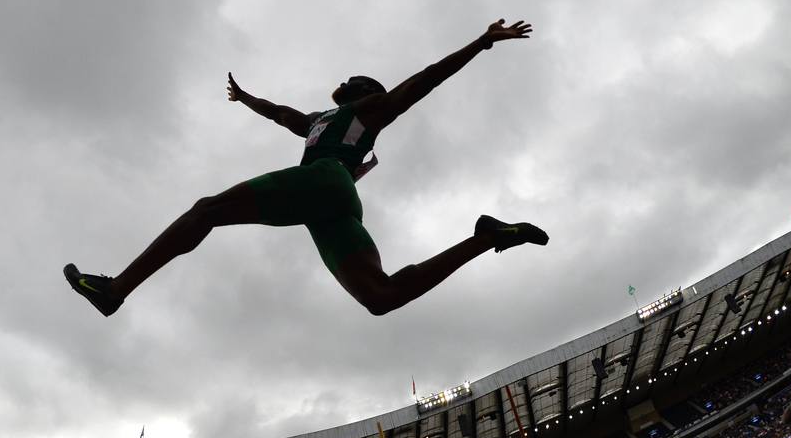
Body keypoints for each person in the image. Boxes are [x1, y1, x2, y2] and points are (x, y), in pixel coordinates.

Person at [64, 19, 548, 318]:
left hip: (327, 180)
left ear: (363, 89)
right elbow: (282, 114)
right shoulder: (320, 120)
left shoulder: (369, 108)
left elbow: (421, 83)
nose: (340, 81)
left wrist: (482, 42)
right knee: (382, 298)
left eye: (349, 80)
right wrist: (246, 98)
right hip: (334, 207)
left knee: (206, 210)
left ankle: (117, 289)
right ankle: (486, 237)